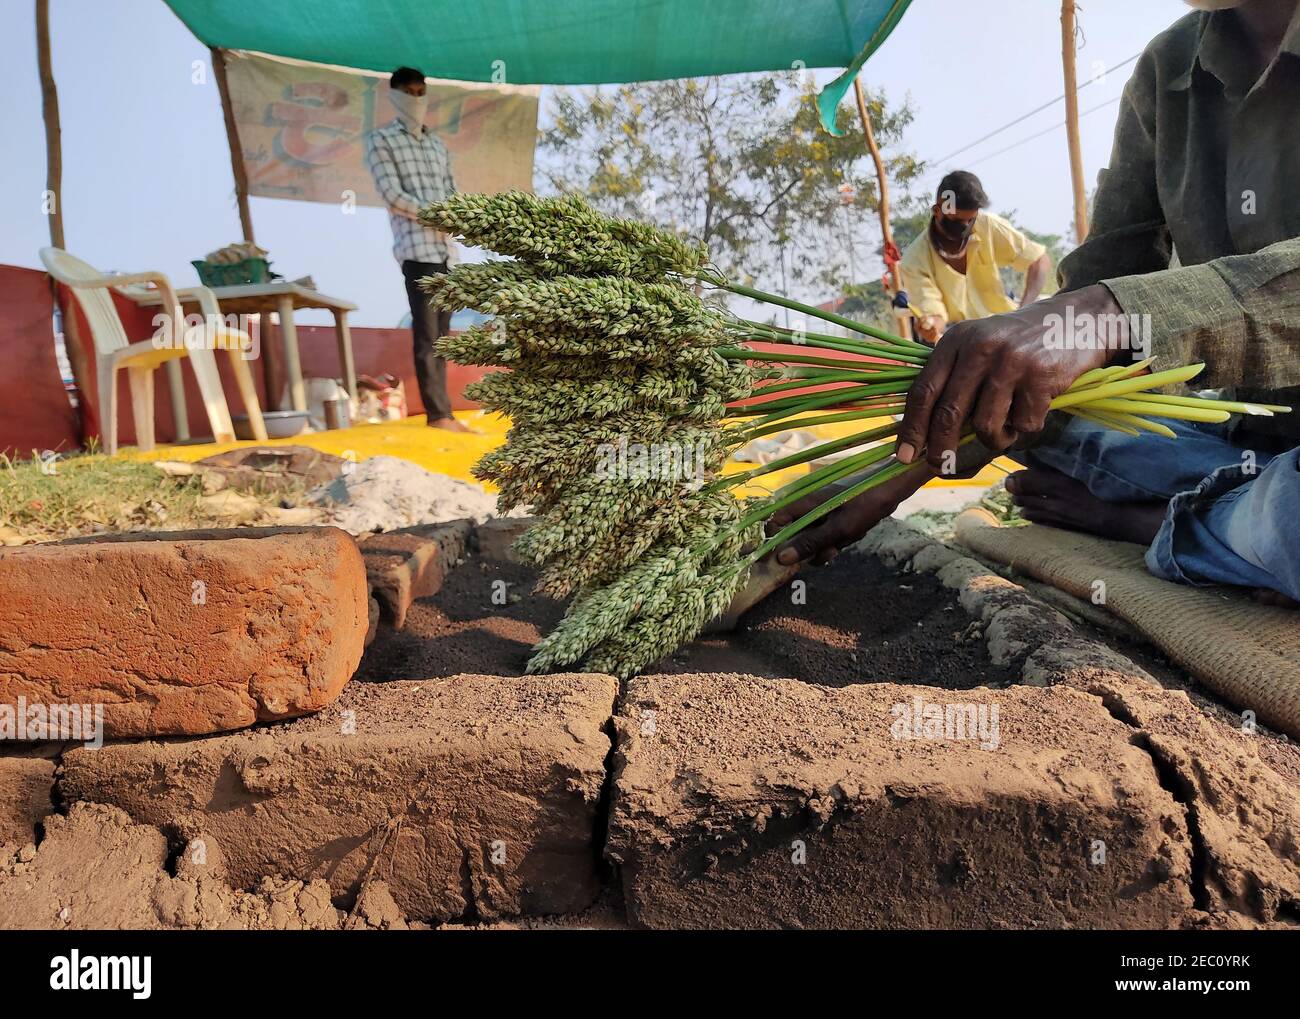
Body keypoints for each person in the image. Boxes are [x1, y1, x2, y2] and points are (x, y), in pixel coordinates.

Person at [774, 0, 1300, 607]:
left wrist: (1098, 316)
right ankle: (1230, 514)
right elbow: (1110, 269)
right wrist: (910, 460)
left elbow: (1085, 292)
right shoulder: (1168, 67)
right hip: (1250, 443)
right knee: (1054, 433)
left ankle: (1158, 523)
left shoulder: (992, 232)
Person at [365, 66, 467, 432]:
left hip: (448, 253)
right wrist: (436, 214)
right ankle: (437, 415)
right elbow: (393, 195)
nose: (416, 99)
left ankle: (447, 413)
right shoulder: (381, 140)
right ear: (395, 96)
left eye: (422, 92)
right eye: (410, 92)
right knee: (426, 334)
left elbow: (453, 190)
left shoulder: (437, 144)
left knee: (443, 337)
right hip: (416, 249)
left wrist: (459, 217)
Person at [899, 171, 1053, 344]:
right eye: (956, 221)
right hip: (956, 339)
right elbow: (934, 314)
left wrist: (1023, 312)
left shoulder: (988, 226)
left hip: (1005, 328)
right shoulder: (914, 259)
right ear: (937, 211)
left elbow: (1039, 260)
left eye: (970, 220)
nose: (965, 227)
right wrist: (931, 325)